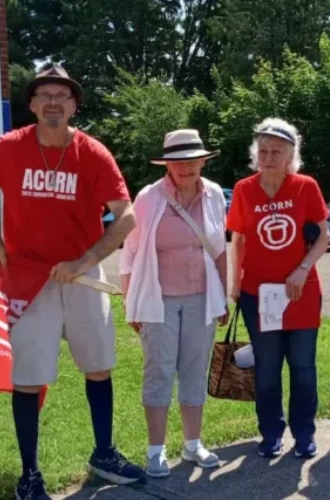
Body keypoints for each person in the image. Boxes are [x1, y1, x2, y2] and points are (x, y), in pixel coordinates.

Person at [0, 64, 145, 499]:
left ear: (74, 105)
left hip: (82, 277)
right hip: (28, 279)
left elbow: (128, 216)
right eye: (44, 94)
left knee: (98, 368)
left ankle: (104, 453)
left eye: (62, 95)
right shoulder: (8, 148)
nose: (53, 102)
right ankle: (30, 475)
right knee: (29, 378)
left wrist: (87, 259)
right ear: (31, 104)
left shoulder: (93, 153)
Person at [120, 129, 229, 478]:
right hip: (158, 300)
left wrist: (222, 297)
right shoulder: (149, 198)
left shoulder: (213, 194)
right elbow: (130, 253)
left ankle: (193, 444)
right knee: (159, 372)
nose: (186, 167)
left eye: (193, 161)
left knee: (195, 371)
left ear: (202, 161)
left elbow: (220, 250)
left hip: (202, 297)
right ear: (167, 164)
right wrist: (130, 303)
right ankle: (156, 451)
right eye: (178, 161)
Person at [226, 118, 330, 459]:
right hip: (259, 294)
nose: (268, 157)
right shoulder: (244, 189)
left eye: (277, 151)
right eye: (263, 151)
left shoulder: (305, 187)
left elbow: (323, 236)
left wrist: (302, 270)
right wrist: (236, 283)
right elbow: (238, 240)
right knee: (268, 368)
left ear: (290, 156)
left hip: (299, 292)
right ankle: (270, 433)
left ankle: (304, 434)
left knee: (302, 366)